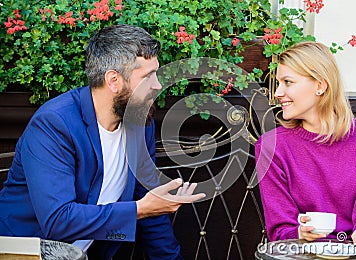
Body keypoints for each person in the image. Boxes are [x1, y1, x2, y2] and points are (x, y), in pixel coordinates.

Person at [0, 24, 205, 259]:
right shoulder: (54, 124)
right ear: (114, 80)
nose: (158, 85)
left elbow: (151, 209)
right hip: (24, 253)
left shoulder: (140, 124)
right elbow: (57, 220)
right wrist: (140, 210)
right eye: (148, 76)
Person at [255, 41, 356, 252]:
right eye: (278, 83)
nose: (278, 93)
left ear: (320, 85)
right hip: (299, 256)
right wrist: (300, 234)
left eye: (288, 82)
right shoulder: (271, 146)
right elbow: (281, 230)